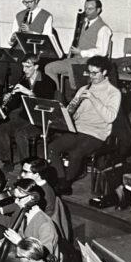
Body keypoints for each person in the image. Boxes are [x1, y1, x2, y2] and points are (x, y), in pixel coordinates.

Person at [49, 56, 121, 188]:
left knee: (76, 153)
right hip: (78, 129)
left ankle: (66, 183)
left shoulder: (113, 93)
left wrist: (93, 98)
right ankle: (61, 178)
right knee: (52, 147)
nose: (91, 76)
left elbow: (110, 117)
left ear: (104, 72)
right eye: (89, 72)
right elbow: (74, 111)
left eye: (95, 73)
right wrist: (70, 111)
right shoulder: (84, 88)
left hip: (97, 134)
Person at [0, 53, 57, 171]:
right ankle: (7, 160)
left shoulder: (48, 82)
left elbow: (45, 104)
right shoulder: (23, 80)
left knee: (21, 134)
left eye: (28, 67)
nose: (24, 70)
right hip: (25, 117)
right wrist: (7, 101)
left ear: (36, 67)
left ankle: (25, 166)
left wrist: (30, 93)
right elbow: (15, 103)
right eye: (23, 66)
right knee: (2, 127)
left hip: (40, 119)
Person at [45, 0, 112, 89]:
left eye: (90, 9)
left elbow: (102, 52)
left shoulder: (104, 28)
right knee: (49, 68)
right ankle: (57, 95)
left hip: (89, 63)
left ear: (98, 10)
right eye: (86, 8)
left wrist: (81, 52)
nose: (87, 11)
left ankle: (76, 97)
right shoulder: (82, 23)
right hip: (75, 60)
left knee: (73, 70)